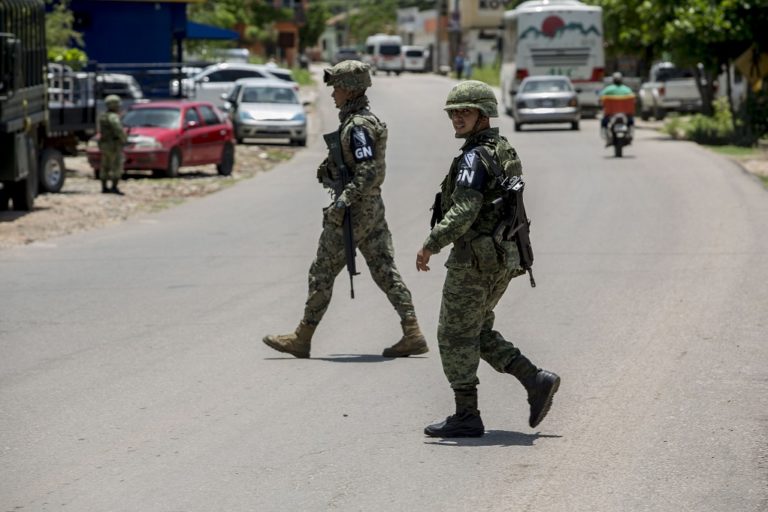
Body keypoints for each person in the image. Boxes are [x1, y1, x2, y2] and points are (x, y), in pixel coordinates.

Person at [417, 80, 560, 438]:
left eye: (464, 111)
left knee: (452, 335)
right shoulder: (502, 149)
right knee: (476, 331)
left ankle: (466, 415)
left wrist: (432, 243)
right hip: (503, 258)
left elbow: (465, 209)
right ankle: (535, 379)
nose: (456, 118)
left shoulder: (473, 157)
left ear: (483, 114)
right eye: (453, 112)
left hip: (475, 262)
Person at [262, 60, 429, 359]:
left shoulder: (358, 127)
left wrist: (344, 201)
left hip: (354, 210)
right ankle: (412, 331)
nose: (332, 94)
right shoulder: (362, 121)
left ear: (351, 91)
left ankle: (302, 337)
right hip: (372, 208)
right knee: (384, 270)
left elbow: (367, 170)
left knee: (321, 272)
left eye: (337, 88)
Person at [97, 94, 127, 195]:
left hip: (104, 144)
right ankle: (114, 187)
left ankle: (104, 187)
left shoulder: (103, 116)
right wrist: (124, 139)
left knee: (105, 166)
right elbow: (118, 129)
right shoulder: (113, 117)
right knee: (117, 166)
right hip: (113, 145)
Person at [599, 71, 635, 141]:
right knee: (631, 121)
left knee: (604, 121)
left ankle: (605, 135)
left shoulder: (608, 89)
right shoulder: (627, 89)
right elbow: (633, 99)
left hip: (610, 113)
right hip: (626, 113)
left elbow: (601, 98)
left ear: (613, 80)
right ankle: (630, 134)